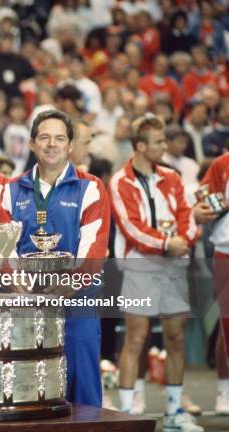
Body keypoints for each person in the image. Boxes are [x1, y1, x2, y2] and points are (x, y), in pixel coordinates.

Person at [0, 109, 110, 408]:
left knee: (82, 388)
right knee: (28, 390)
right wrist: (15, 280)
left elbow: (94, 248)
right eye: (44, 137)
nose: (52, 144)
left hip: (76, 303)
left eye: (60, 138)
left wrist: (70, 284)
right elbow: (2, 243)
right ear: (32, 144)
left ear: (70, 145)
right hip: (26, 307)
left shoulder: (91, 187)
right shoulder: (11, 189)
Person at [109, 113, 202, 432]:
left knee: (175, 339)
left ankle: (175, 412)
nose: (165, 146)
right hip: (140, 266)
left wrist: (183, 241)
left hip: (174, 265)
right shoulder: (120, 181)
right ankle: (126, 412)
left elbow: (188, 217)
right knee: (136, 339)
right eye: (159, 141)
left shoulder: (172, 177)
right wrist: (166, 244)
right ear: (139, 146)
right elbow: (131, 226)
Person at [193, 153, 229, 415]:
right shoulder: (222, 164)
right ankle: (224, 390)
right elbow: (204, 203)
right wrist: (223, 202)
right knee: (227, 323)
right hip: (226, 250)